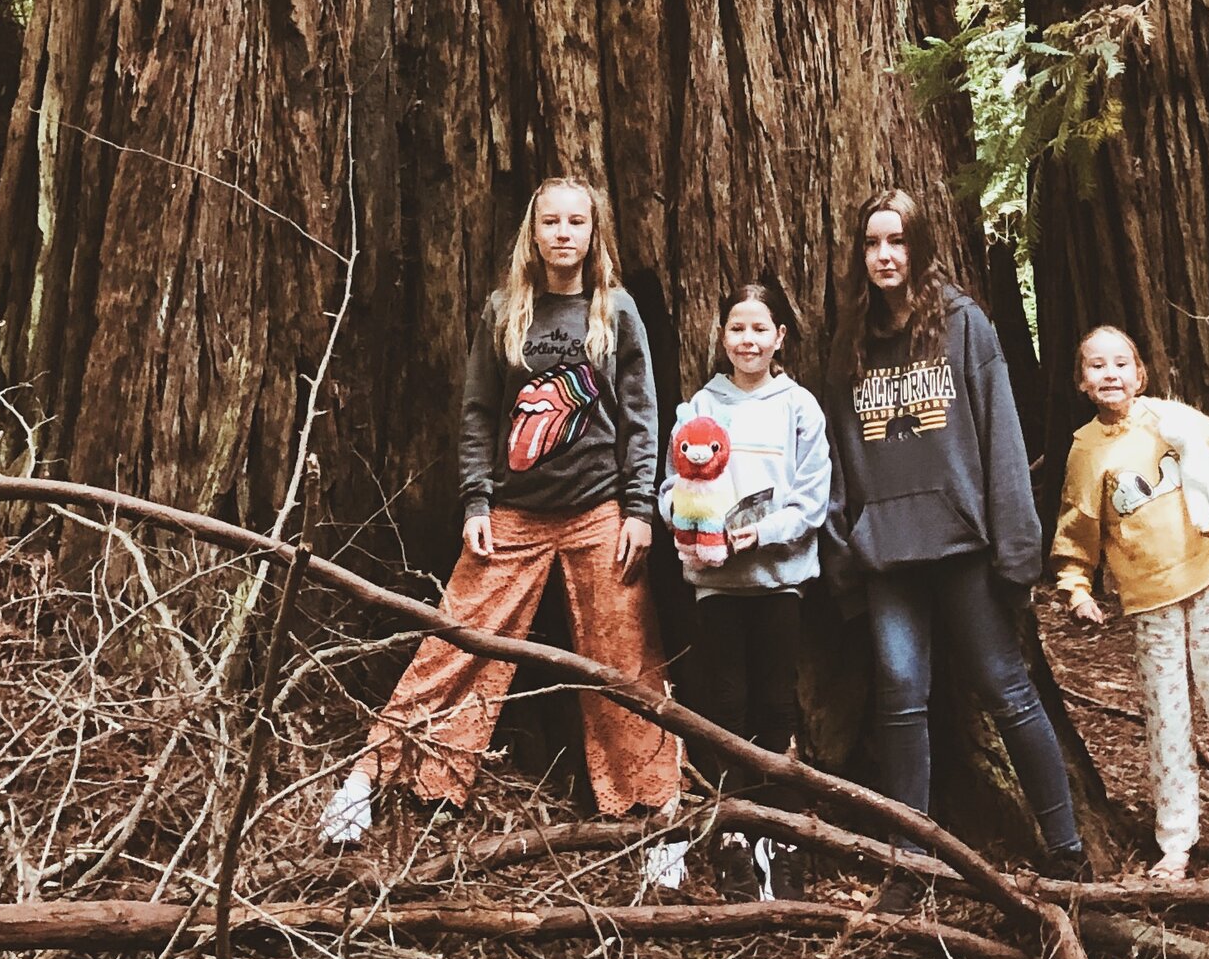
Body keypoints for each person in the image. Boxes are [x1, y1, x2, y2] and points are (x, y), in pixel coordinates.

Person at [320, 175, 684, 880]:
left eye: (577, 221)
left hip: (598, 511)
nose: (563, 233)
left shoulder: (616, 310)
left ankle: (660, 816)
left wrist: (639, 508)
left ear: (593, 231)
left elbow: (643, 417)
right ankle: (367, 777)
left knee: (626, 660)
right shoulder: (505, 309)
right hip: (514, 512)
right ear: (534, 231)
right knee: (452, 642)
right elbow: (479, 412)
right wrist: (477, 502)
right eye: (551, 221)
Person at [824, 190, 1085, 885]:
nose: (884, 255)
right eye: (872, 243)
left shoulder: (964, 324)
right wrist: (847, 549)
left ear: (919, 246)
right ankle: (909, 862)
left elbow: (1001, 434)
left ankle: (1066, 847)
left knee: (1006, 687)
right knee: (900, 694)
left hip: (964, 546)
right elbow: (841, 456)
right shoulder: (849, 341)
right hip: (888, 554)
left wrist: (1018, 548)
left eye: (897, 241)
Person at [1051, 323, 1209, 881]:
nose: (1109, 374)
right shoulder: (1086, 450)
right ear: (1082, 382)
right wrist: (1076, 587)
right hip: (1148, 600)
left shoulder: (1171, 419)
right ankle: (1178, 839)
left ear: (1140, 374)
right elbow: (1078, 526)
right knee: (1167, 717)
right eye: (1096, 365)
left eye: (1120, 364)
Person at [658, 274, 831, 899]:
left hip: (779, 580)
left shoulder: (798, 407)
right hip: (716, 586)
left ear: (779, 336)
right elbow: (672, 488)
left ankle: (780, 836)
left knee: (776, 705)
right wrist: (686, 523)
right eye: (737, 328)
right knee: (725, 705)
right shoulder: (701, 407)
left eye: (760, 329)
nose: (748, 340)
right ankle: (734, 833)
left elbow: (814, 499)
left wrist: (764, 534)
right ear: (722, 335)